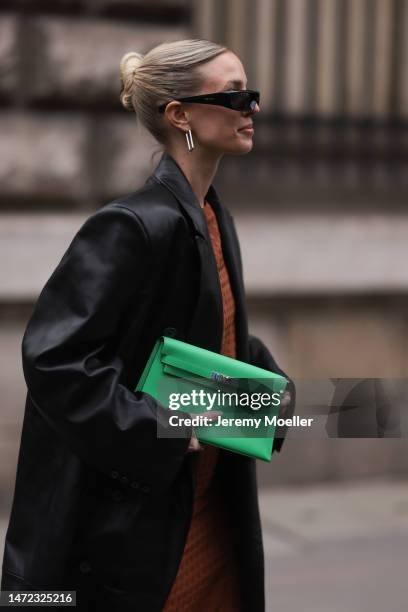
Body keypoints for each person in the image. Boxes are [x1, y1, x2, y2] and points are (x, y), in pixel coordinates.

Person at [1, 39, 295, 611]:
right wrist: (158, 426)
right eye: (234, 95)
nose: (250, 107)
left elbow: (212, 331)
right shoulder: (130, 226)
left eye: (251, 94)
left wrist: (268, 385)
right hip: (137, 531)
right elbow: (54, 357)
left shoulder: (211, 213)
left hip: (210, 510)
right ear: (179, 115)